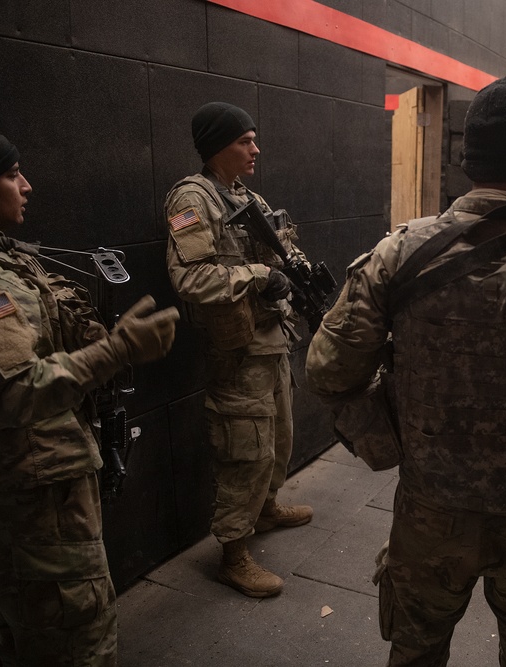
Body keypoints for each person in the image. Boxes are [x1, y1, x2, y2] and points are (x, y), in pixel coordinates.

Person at [306, 76, 506, 666]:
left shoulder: (402, 252)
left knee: (416, 651)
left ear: (466, 158)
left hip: (430, 510)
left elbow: (329, 370)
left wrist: (386, 439)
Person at [0, 120, 179, 665]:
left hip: (46, 486)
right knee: (74, 636)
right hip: (29, 500)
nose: (28, 185)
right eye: (12, 174)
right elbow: (16, 389)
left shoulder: (2, 258)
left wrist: (101, 340)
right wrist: (118, 350)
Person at [165, 102, 315, 599]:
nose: (256, 149)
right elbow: (189, 277)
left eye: (254, 139)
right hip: (236, 350)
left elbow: (277, 254)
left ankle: (266, 509)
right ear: (217, 147)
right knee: (244, 453)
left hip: (270, 340)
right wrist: (257, 275)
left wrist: (293, 270)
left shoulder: (245, 197)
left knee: (280, 438)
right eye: (245, 141)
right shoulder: (192, 199)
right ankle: (233, 552)